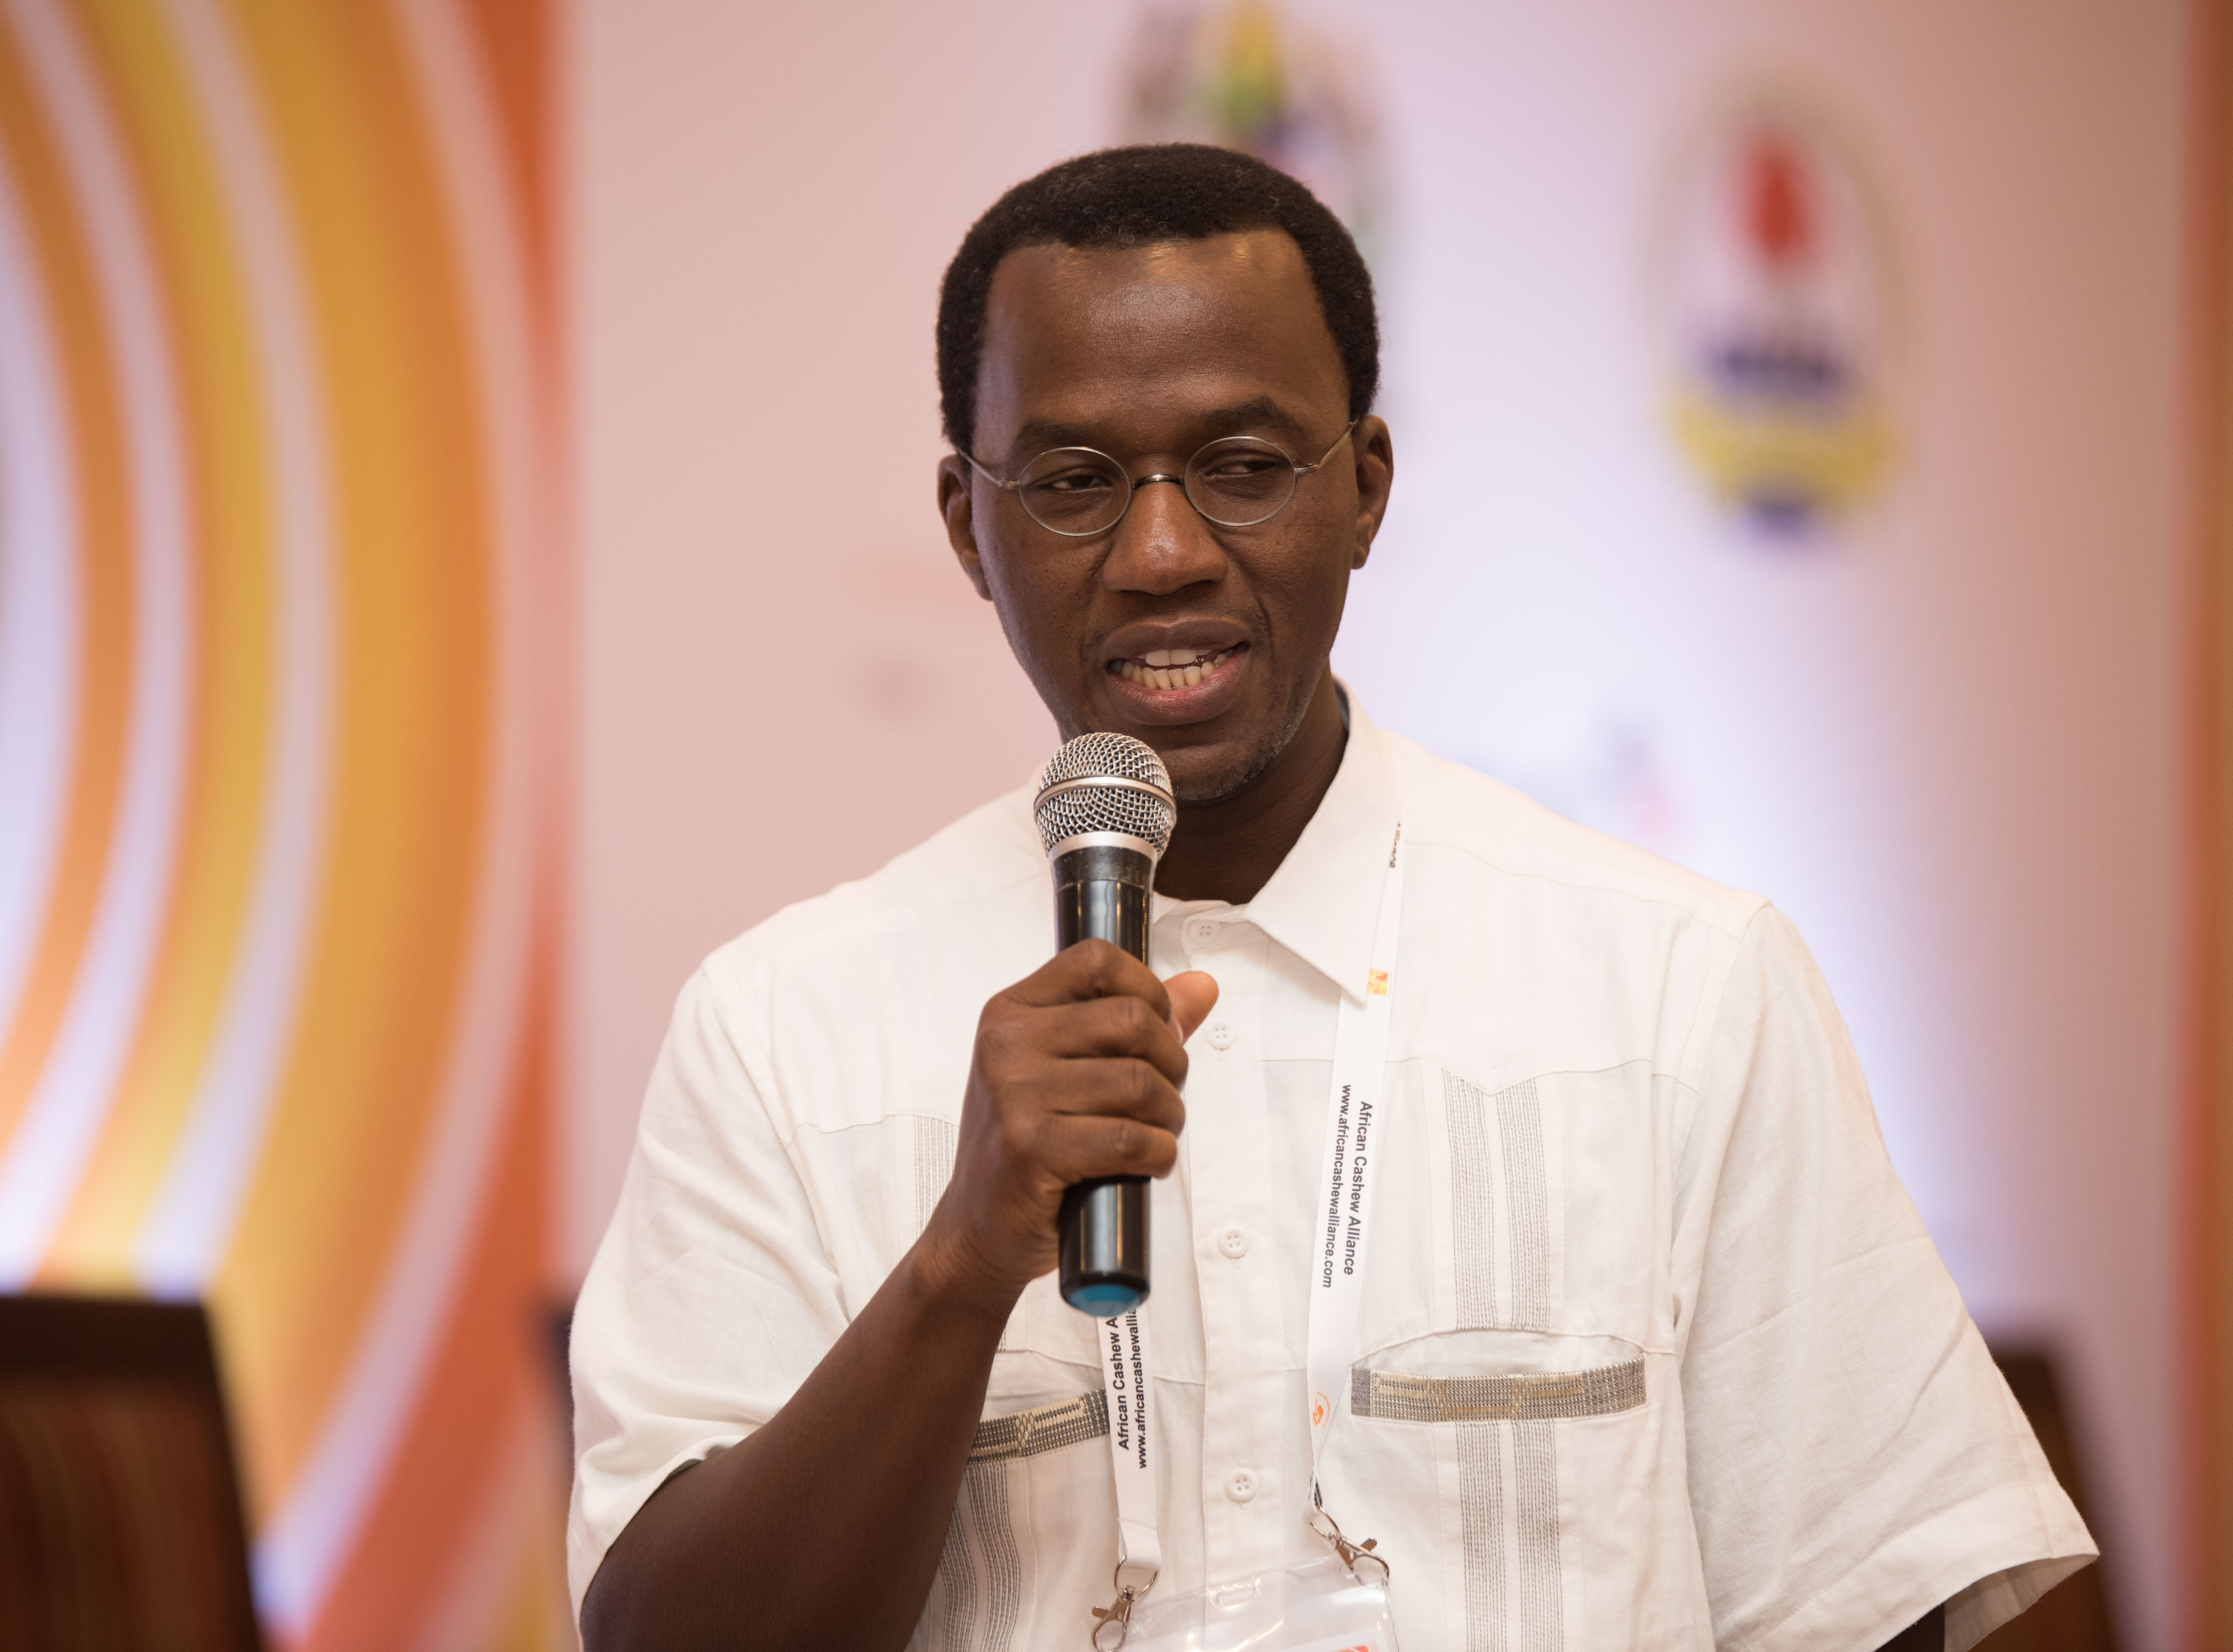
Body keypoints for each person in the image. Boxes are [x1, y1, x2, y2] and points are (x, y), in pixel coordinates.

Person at [569, 144, 2094, 1652]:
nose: (1162, 554)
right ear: (971, 527)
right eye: (1077, 483)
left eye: (1242, 468)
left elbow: (1874, 1605)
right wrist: (958, 1272)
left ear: (1364, 490)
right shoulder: (783, 1032)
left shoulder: (1680, 990)